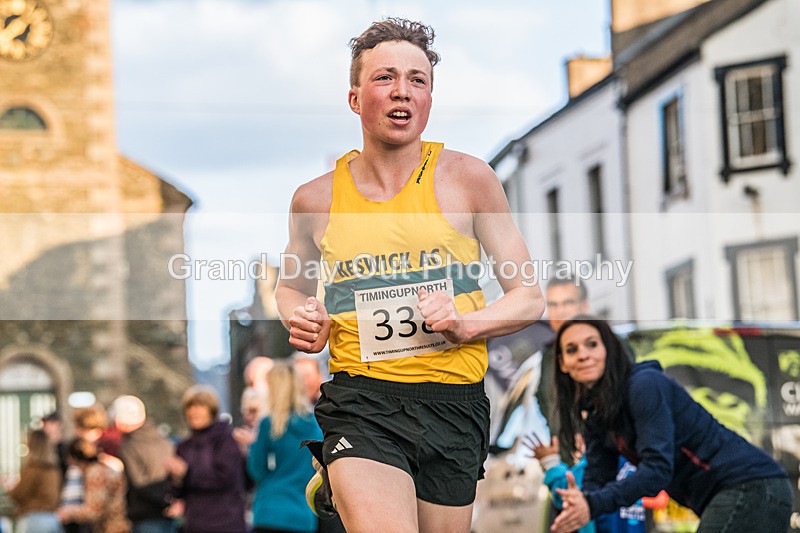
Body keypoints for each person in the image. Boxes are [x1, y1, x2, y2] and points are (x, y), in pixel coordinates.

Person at [275, 17, 544, 533]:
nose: (403, 91)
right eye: (385, 77)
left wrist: (467, 324)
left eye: (417, 80)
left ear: (429, 97)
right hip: (362, 398)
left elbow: (528, 298)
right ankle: (345, 472)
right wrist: (304, 317)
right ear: (355, 98)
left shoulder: (469, 180)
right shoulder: (315, 199)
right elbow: (291, 288)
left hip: (453, 401)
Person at [550, 316, 792, 533]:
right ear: (563, 364)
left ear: (609, 350)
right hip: (731, 493)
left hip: (752, 486)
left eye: (592, 344)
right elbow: (599, 475)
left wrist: (591, 505)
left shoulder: (644, 386)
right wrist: (580, 500)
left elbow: (657, 470)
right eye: (572, 350)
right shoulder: (595, 411)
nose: (583, 355)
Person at [247, 361, 323, 533]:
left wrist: (252, 445)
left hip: (270, 512)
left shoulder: (269, 424)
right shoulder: (317, 425)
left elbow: (257, 470)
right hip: (303, 515)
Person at [165, 385, 247, 533]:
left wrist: (187, 472)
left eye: (200, 406)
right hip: (195, 522)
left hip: (226, 522)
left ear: (211, 410)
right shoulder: (184, 446)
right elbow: (177, 492)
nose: (194, 411)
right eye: (191, 406)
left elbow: (226, 478)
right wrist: (176, 478)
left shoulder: (225, 441)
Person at [113, 395, 176, 533]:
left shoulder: (129, 446)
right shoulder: (163, 440)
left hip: (144, 515)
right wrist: (170, 502)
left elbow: (139, 482)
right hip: (168, 513)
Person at [57, 438, 130, 533]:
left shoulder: (95, 473)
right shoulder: (102, 467)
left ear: (74, 458)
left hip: (112, 527)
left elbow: (95, 510)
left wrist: (69, 512)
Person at [9, 429, 63, 533]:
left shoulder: (32, 468)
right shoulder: (53, 470)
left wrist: (11, 487)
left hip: (33, 519)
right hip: (52, 519)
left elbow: (18, 494)